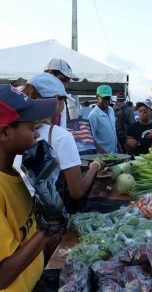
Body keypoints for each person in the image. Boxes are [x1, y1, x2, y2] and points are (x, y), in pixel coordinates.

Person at [0, 84, 65, 291]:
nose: (36, 135)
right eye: (31, 127)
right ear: (4, 133)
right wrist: (47, 230)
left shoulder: (13, 173)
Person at [17, 72, 104, 207]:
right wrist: (95, 167)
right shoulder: (61, 136)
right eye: (65, 100)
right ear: (57, 100)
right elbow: (77, 192)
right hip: (42, 217)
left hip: (16, 210)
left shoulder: (15, 131)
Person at [44, 58, 80, 122]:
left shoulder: (62, 98)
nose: (66, 85)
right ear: (49, 75)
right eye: (63, 80)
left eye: (68, 81)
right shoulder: (33, 99)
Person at [88, 85, 118, 153]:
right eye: (103, 98)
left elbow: (113, 132)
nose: (106, 101)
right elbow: (91, 139)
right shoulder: (93, 115)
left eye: (108, 98)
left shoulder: (111, 110)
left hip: (114, 154)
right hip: (102, 157)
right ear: (97, 97)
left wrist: (118, 147)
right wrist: (104, 154)